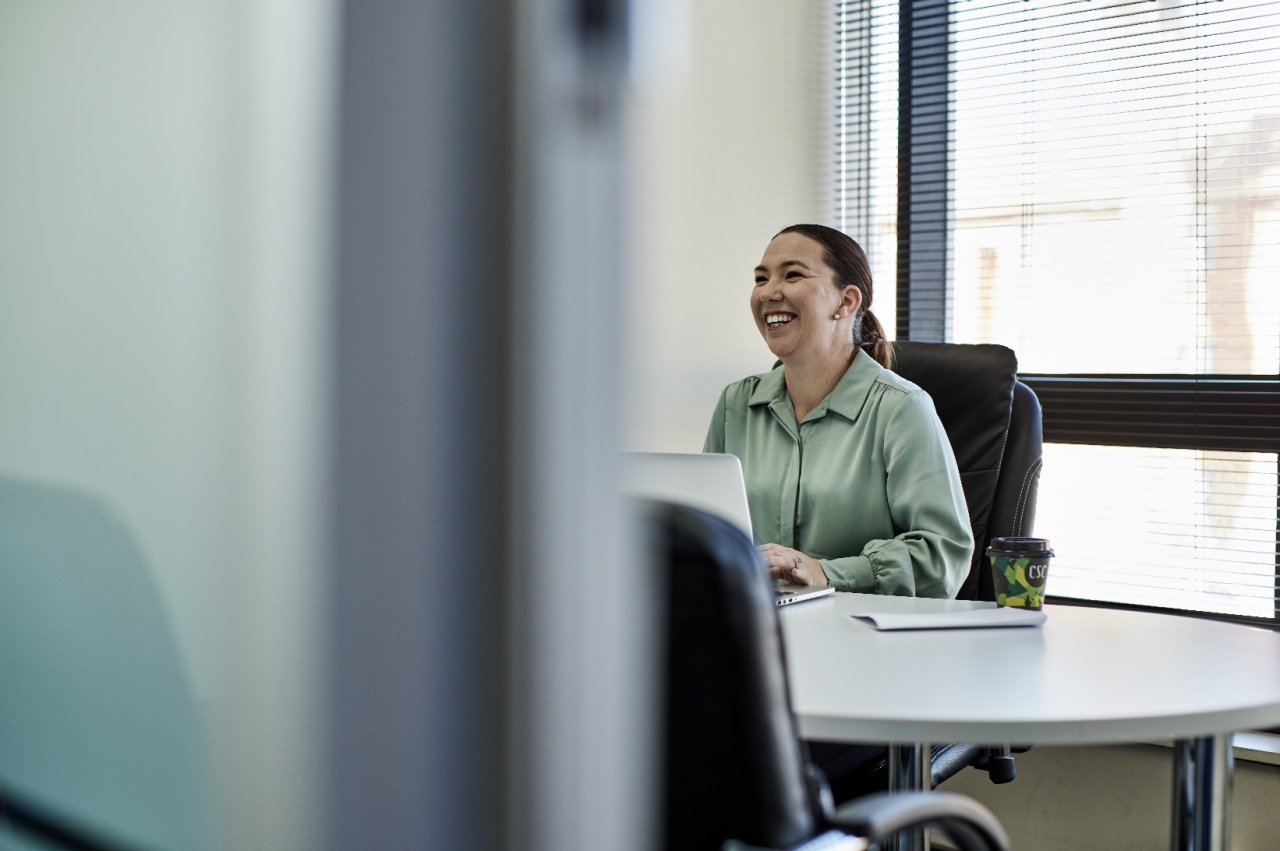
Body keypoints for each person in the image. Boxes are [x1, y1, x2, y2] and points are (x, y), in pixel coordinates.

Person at [702, 223, 973, 597]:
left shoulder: (901, 409)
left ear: (846, 302)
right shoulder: (736, 404)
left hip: (860, 635)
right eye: (761, 279)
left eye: (792, 274)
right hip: (752, 628)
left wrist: (824, 573)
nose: (768, 292)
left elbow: (943, 557)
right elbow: (707, 531)